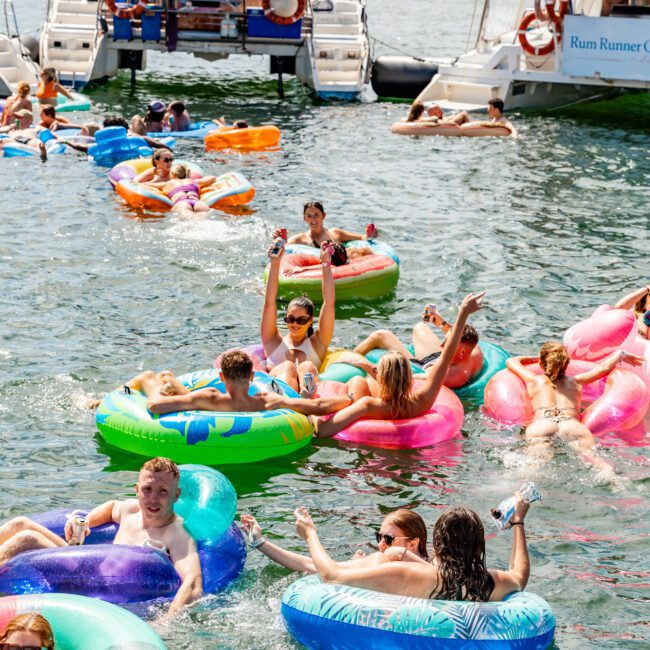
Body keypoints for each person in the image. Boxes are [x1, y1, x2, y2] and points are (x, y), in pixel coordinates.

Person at [0, 457, 202, 618]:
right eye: (147, 489)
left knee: (27, 538)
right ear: (137, 490)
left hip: (102, 590)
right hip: (86, 571)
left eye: (163, 491)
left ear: (176, 495)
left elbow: (193, 582)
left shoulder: (177, 534)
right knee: (19, 524)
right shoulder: (131, 510)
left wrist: (166, 620)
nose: (153, 498)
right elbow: (112, 507)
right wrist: (86, 522)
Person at [291, 494, 531, 602]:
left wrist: (311, 534)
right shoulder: (490, 582)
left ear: (437, 542)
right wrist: (518, 522)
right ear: (479, 546)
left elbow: (332, 576)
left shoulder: (408, 573)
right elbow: (519, 577)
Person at [311, 292, 485, 438]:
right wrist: (463, 312)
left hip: (372, 463)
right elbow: (446, 356)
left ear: (382, 380)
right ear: (409, 379)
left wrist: (311, 406)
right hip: (415, 452)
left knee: (357, 381)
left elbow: (322, 431)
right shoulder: (423, 399)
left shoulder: (368, 405)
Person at [505, 342, 643, 476]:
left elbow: (511, 361)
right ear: (567, 364)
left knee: (534, 464)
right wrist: (621, 354)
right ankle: (616, 482)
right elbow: (604, 369)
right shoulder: (576, 381)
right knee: (596, 461)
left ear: (541, 364)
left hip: (543, 424)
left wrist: (534, 358)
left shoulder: (533, 380)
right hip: (571, 425)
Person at [92, 350, 353, 416]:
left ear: (221, 377)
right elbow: (317, 407)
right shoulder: (267, 401)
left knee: (153, 376)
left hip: (208, 409)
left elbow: (155, 406)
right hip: (246, 412)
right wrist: (349, 400)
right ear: (253, 377)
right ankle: (169, 382)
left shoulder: (209, 396)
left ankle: (104, 401)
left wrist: (159, 393)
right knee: (169, 378)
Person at [241, 508, 429, 573]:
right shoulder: (381, 562)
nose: (381, 544)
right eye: (379, 537)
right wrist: (260, 541)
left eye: (388, 539)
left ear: (413, 543)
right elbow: (313, 566)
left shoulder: (434, 567)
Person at [351, 304, 484, 389]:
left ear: (462, 353)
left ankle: (349, 356)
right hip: (434, 358)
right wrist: (439, 320)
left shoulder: (452, 375)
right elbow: (455, 334)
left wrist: (368, 367)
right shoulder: (474, 350)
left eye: (448, 344)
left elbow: (399, 379)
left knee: (380, 335)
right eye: (445, 341)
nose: (442, 345)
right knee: (420, 326)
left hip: (421, 369)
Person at [262, 240, 335, 393]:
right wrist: (275, 263)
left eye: (301, 320)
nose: (294, 324)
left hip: (308, 395)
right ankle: (292, 401)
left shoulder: (318, 343)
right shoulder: (273, 340)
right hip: (277, 399)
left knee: (306, 367)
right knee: (287, 367)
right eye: (290, 319)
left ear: (310, 321)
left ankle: (307, 400)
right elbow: (269, 302)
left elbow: (329, 303)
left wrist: (325, 264)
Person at [273, 200, 377, 268]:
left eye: (316, 215)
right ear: (304, 218)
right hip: (319, 269)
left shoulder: (335, 233)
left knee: (355, 252)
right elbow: (283, 251)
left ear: (324, 215)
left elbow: (362, 238)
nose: (313, 219)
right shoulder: (300, 240)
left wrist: (370, 234)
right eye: (309, 216)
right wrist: (279, 239)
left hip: (345, 266)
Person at [144, 162, 214, 213]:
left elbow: (146, 184)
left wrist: (156, 179)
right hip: (198, 203)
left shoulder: (167, 184)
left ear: (173, 174)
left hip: (182, 204)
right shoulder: (194, 181)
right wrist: (189, 177)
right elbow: (212, 177)